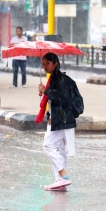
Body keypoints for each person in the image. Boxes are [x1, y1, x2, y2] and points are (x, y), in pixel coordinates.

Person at [37, 52, 83, 191]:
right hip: (63, 118)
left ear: (55, 63)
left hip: (62, 119)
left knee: (48, 146)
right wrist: (46, 94)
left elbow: (62, 99)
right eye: (43, 64)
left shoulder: (60, 79)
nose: (45, 66)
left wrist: (46, 91)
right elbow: (55, 100)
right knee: (58, 149)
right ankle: (59, 181)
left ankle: (62, 176)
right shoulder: (55, 78)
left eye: (48, 63)